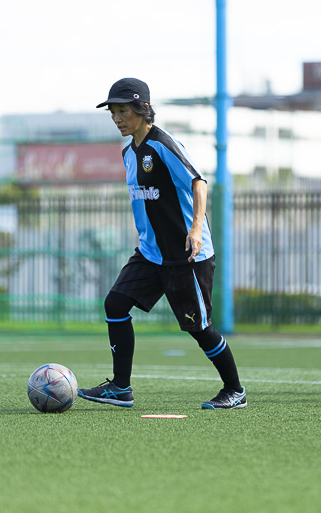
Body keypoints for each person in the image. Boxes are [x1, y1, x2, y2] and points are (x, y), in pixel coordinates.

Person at [77, 77, 247, 410]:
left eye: (123, 110)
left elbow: (198, 182)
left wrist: (196, 228)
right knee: (115, 304)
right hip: (150, 254)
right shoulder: (128, 153)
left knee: (198, 328)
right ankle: (120, 387)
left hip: (185, 255)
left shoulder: (163, 145)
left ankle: (235, 389)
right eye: (113, 112)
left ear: (143, 109)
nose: (117, 118)